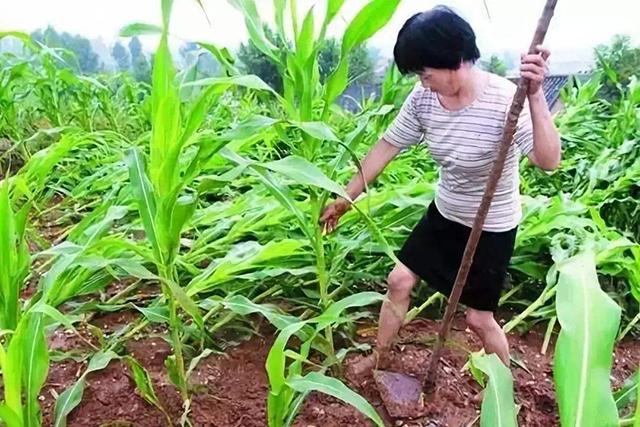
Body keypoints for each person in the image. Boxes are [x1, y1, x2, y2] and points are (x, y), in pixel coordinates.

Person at [320, 5, 561, 372]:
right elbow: (387, 146)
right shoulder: (424, 99)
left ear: (456, 59)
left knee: (479, 320)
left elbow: (547, 161)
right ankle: (378, 358)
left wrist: (535, 95)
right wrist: (346, 197)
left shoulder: (504, 101)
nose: (421, 81)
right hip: (446, 213)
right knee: (399, 280)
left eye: (425, 71)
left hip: (491, 228)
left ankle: (503, 390)